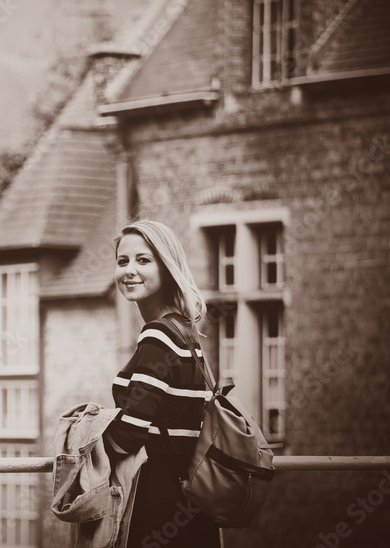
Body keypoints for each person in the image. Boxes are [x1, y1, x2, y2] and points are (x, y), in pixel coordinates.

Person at [104, 220, 221, 548]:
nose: (129, 270)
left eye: (143, 260)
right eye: (122, 261)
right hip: (191, 499)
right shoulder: (185, 331)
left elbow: (131, 432)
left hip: (157, 499)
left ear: (167, 268)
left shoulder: (159, 334)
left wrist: (82, 448)